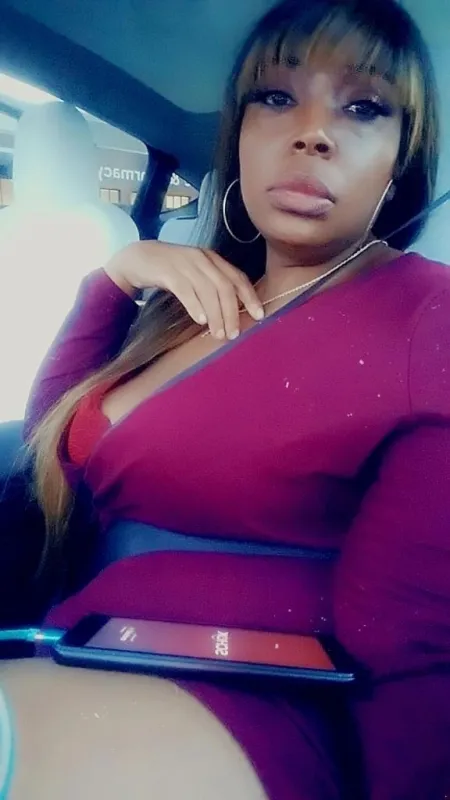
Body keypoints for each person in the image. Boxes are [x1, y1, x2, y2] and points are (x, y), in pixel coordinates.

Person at [1, 0, 450, 796]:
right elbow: (53, 463)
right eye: (276, 97)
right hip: (80, 645)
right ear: (239, 136)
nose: (313, 133)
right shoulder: (186, 301)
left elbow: (408, 637)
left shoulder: (428, 317)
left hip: (256, 702)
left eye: (364, 107)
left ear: (402, 160)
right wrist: (113, 279)